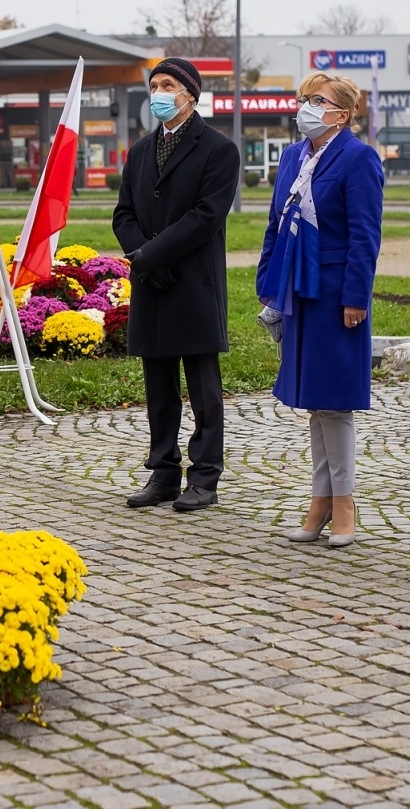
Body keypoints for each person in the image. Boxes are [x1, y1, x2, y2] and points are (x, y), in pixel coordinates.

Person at [256, 73, 383, 547]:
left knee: (335, 398)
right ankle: (321, 499)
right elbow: (275, 222)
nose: (306, 107)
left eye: (317, 100)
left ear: (343, 114)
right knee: (313, 399)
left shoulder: (359, 158)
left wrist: (356, 297)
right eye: (303, 99)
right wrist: (266, 281)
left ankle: (343, 502)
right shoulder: (292, 157)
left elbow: (364, 236)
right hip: (295, 288)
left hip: (334, 292)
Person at [113, 56, 240, 512]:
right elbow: (123, 214)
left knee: (204, 386)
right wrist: (143, 258)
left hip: (193, 282)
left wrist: (154, 254)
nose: (159, 94)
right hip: (152, 281)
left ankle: (205, 477)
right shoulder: (140, 151)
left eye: (168, 85)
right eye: (154, 86)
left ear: (190, 93)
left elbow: (205, 216)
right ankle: (163, 472)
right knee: (158, 385)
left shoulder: (218, 150)